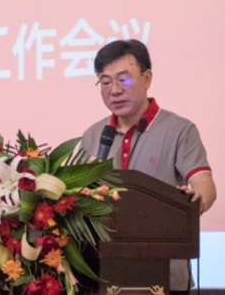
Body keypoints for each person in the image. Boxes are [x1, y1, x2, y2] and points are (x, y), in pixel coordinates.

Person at [80, 39, 217, 293]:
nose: (114, 90)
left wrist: (197, 200)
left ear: (147, 78)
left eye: (124, 79)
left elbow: (204, 184)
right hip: (104, 274)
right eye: (106, 82)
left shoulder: (179, 129)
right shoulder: (94, 135)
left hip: (164, 275)